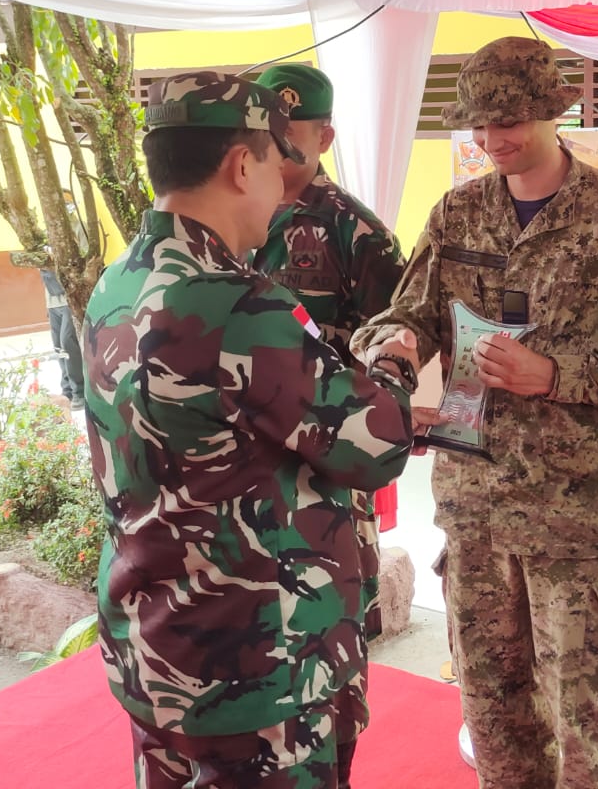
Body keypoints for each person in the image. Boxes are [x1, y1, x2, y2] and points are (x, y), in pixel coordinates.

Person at [351, 37, 598, 789]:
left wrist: (554, 376)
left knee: (591, 735)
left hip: (580, 526)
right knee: (497, 727)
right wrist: (399, 348)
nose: (491, 139)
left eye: (507, 121)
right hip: (477, 515)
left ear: (551, 110)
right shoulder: (458, 214)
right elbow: (408, 313)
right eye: (478, 124)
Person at [81, 71, 419, 789]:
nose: (282, 187)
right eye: (275, 162)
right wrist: (393, 363)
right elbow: (378, 444)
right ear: (242, 165)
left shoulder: (118, 282)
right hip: (254, 667)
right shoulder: (234, 305)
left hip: (155, 647)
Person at [251, 62, 406, 643]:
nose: (278, 146)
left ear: (326, 137)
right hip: (248, 449)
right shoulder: (227, 214)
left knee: (335, 607)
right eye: (267, 132)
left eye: (293, 133)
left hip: (327, 453)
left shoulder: (357, 232)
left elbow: (392, 341)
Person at [39, 268, 85, 409]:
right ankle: (67, 391)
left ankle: (80, 392)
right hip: (52, 303)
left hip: (68, 300)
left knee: (68, 344)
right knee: (59, 347)